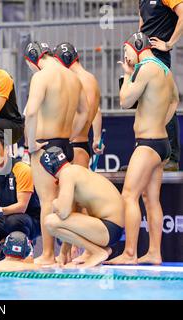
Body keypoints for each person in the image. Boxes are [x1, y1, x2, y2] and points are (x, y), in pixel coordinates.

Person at [105, 32, 179, 265]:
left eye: (126, 53)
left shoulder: (144, 68)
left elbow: (125, 101)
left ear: (136, 46)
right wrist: (160, 122)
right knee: (150, 199)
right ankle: (155, 253)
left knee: (129, 195)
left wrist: (127, 74)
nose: (126, 58)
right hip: (161, 143)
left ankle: (129, 254)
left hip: (147, 144)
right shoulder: (165, 70)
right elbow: (175, 100)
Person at [23, 40, 89, 265]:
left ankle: (49, 254)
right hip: (65, 145)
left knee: (48, 202)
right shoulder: (73, 77)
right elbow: (85, 112)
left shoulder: (40, 77)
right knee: (67, 201)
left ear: (32, 60)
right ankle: (67, 253)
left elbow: (31, 112)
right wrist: (71, 135)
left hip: (44, 146)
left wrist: (31, 144)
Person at [38, 147, 125, 268]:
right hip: (111, 229)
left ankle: (98, 252)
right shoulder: (75, 171)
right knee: (55, 220)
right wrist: (63, 253)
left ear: (49, 170)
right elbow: (69, 220)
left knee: (50, 221)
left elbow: (63, 213)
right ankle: (98, 250)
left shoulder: (67, 174)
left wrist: (54, 202)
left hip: (108, 228)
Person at [139, 0, 183, 171]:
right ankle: (144, 157)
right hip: (144, 55)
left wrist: (169, 44)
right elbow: (142, 25)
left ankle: (172, 158)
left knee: (164, 105)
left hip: (159, 55)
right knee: (145, 107)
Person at [53, 42, 104, 167]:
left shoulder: (77, 80)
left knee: (72, 186)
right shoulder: (90, 78)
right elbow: (95, 110)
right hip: (80, 144)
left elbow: (84, 114)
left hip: (74, 146)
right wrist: (97, 138)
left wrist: (68, 139)